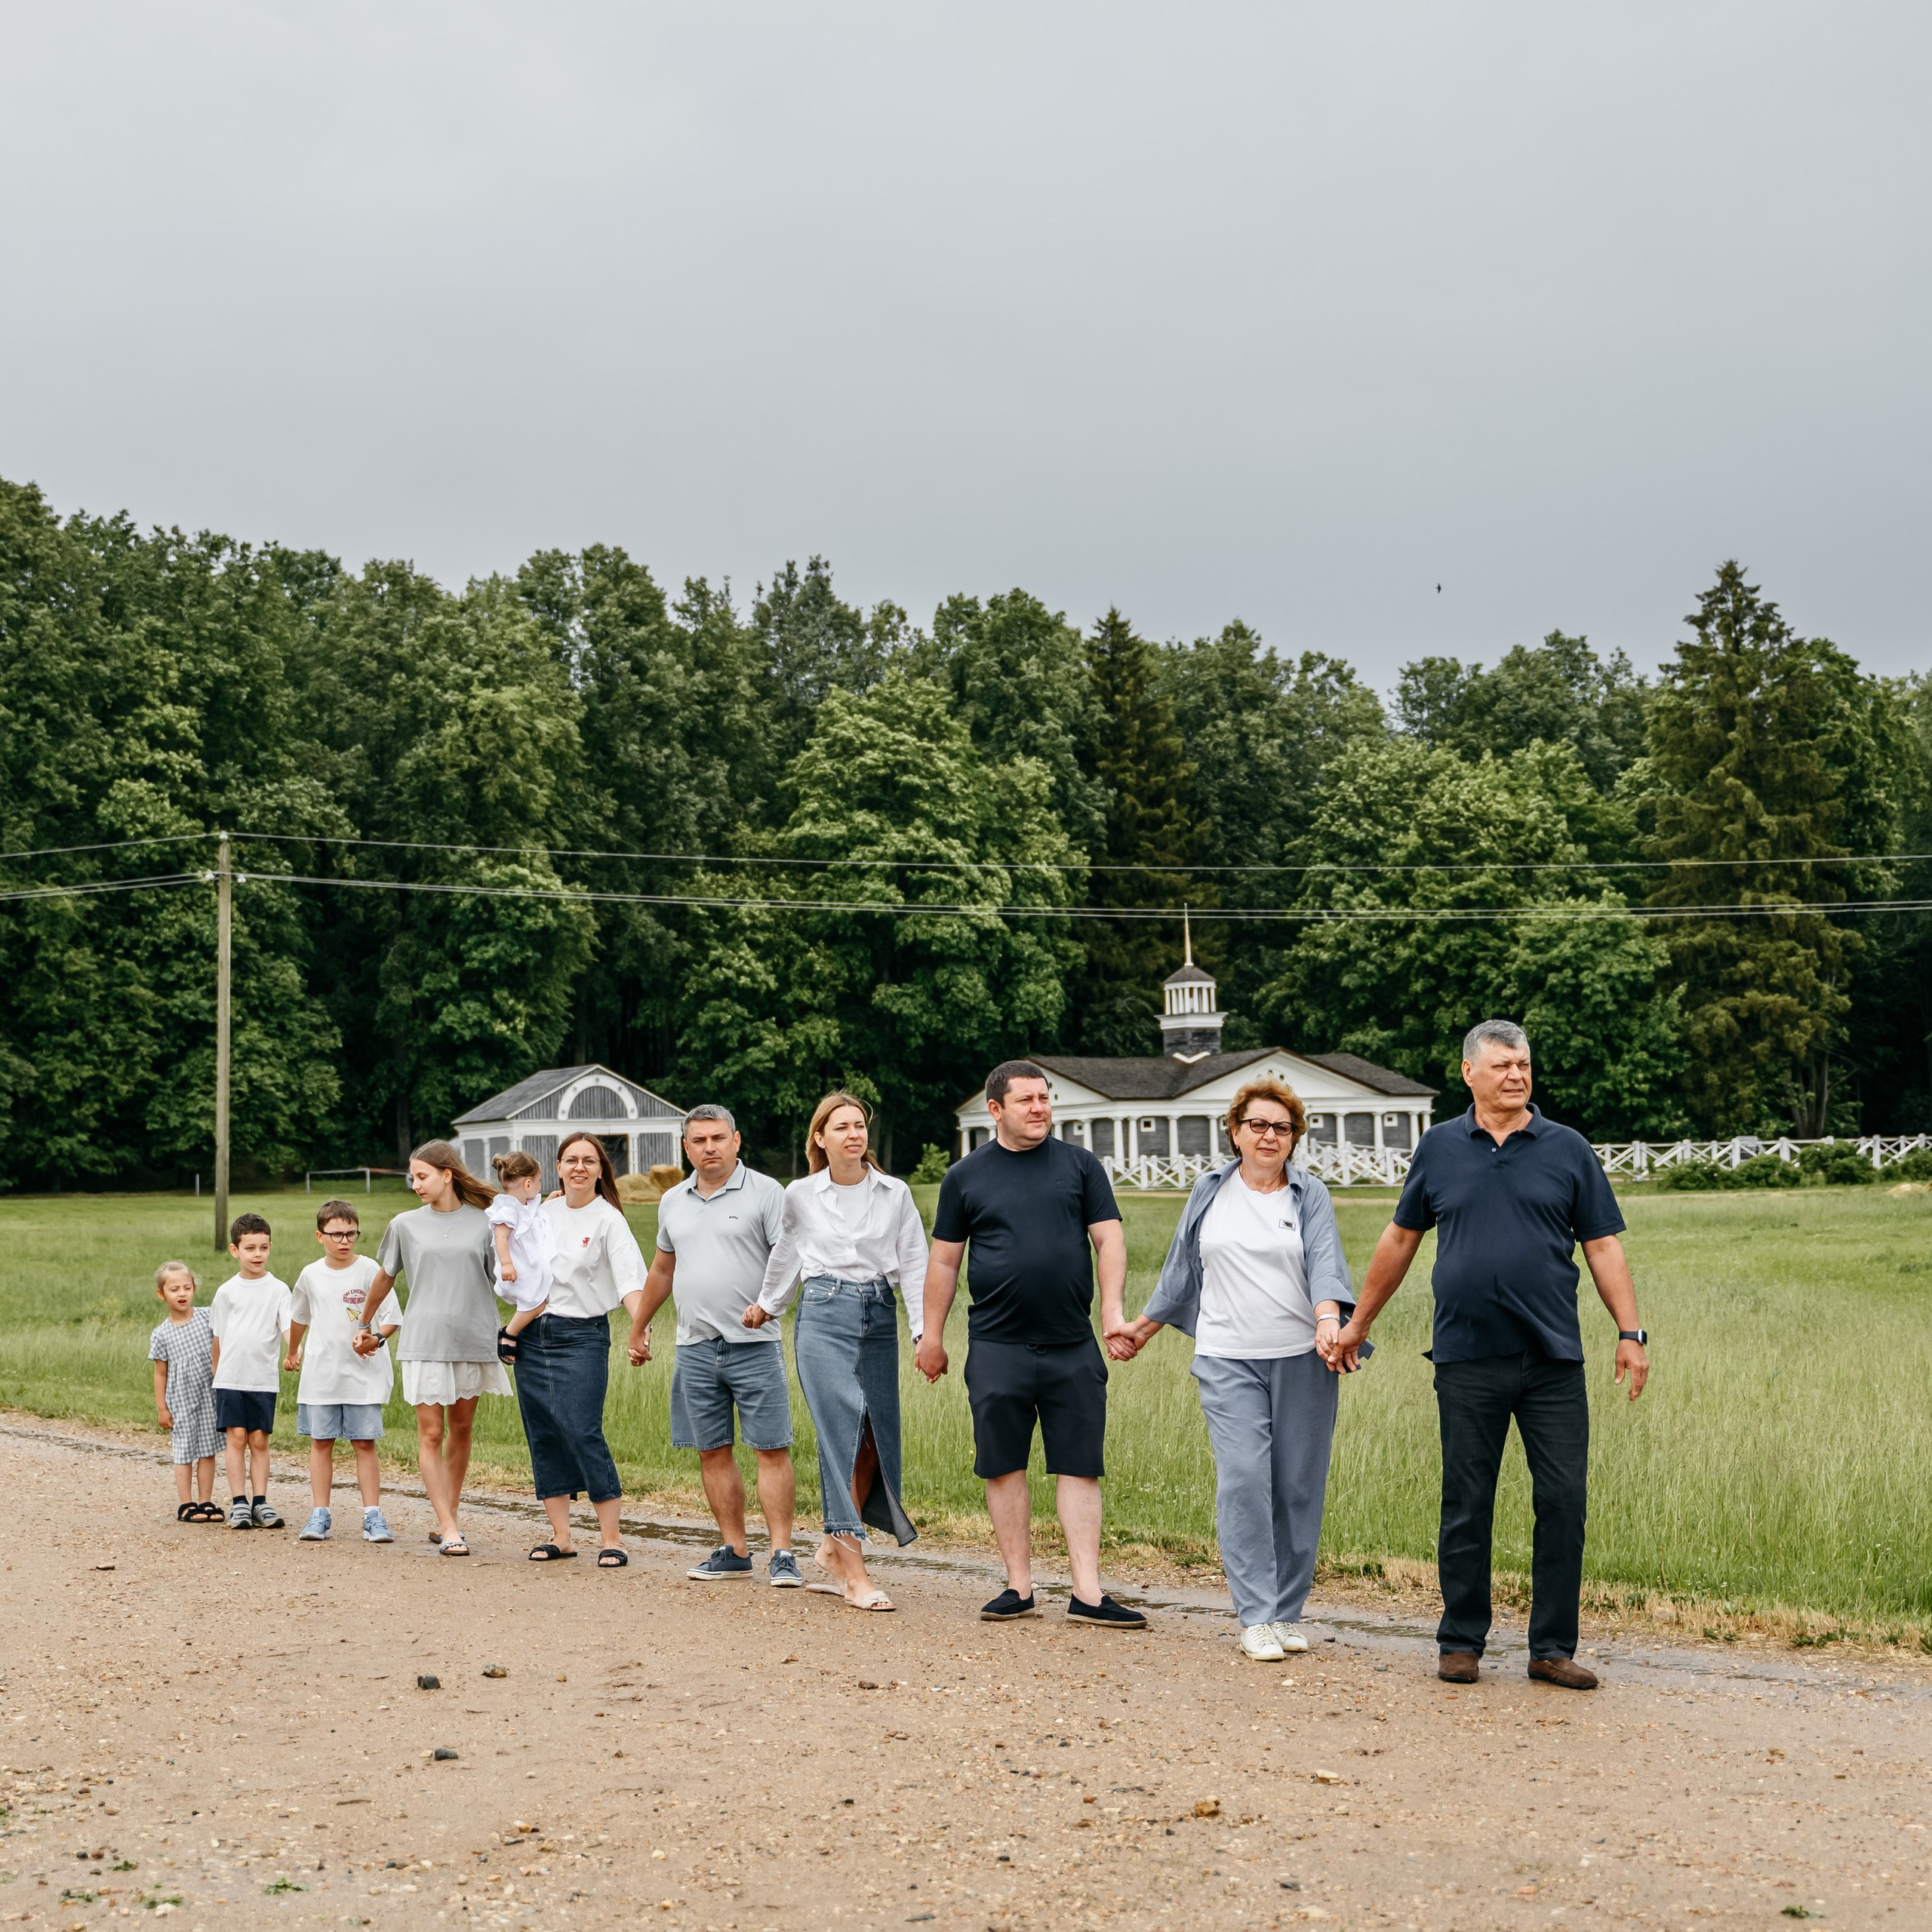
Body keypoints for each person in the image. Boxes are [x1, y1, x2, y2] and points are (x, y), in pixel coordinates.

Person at [1331, 1020, 1650, 1690]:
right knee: (1467, 1500)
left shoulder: (1567, 1149)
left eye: (1525, 1064)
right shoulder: (1441, 1148)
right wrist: (1358, 1323)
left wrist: (1631, 1331)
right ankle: (1460, 1641)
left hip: (1553, 1359)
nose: (1517, 1075)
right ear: (1469, 1071)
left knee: (1563, 1500)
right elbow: (1399, 1241)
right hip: (1468, 1357)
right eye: (1503, 1065)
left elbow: (1603, 1246)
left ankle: (1551, 1647)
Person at [1119, 1078, 1358, 1661]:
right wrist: (1142, 1330)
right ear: (1235, 1131)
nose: (1269, 1136)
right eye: (1258, 1125)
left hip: (1304, 1357)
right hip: (1227, 1357)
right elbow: (1181, 1269)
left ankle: (1285, 1612)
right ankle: (1254, 1615)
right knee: (1245, 1480)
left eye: (1282, 1127)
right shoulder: (1209, 1191)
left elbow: (1325, 1261)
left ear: (1294, 1137)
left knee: (1298, 1486)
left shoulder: (1309, 1195)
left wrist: (1330, 1320)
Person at [918, 1060, 1147, 1629]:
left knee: (1079, 1465)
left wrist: (1112, 1312)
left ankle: (1088, 1593)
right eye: (1027, 1100)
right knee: (1003, 1465)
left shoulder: (1080, 1166)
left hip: (1072, 1344)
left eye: (1045, 1098)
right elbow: (945, 1261)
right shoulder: (965, 1177)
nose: (1040, 1108)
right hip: (998, 1345)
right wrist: (932, 1335)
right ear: (995, 1109)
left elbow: (1109, 1240)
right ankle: (1018, 1587)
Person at [746, 1091, 928, 1611]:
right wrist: (767, 1304)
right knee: (839, 1432)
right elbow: (786, 1253)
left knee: (872, 1436)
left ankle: (830, 1546)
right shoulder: (801, 1194)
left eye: (859, 1125)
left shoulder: (895, 1193)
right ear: (820, 1139)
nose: (854, 1134)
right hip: (823, 1313)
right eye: (841, 1127)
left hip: (878, 1314)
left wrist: (922, 1333)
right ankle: (855, 1574)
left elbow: (913, 1264)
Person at [627, 1104, 799, 1586]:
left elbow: (788, 1263)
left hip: (754, 1344)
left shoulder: (767, 1193)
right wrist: (639, 1326)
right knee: (712, 1450)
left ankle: (782, 1553)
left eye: (718, 1138)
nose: (710, 1148)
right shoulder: (673, 1200)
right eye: (699, 1141)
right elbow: (663, 1269)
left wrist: (767, 1305)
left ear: (736, 1141)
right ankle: (735, 1550)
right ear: (686, 1147)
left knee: (771, 1447)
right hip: (695, 1346)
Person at [358, 1140, 507, 1557]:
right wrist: (364, 1324)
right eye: (413, 1177)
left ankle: (450, 1516)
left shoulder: (485, 1222)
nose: (415, 1184)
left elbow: (506, 1278)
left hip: (474, 1338)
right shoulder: (405, 1224)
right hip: (424, 1339)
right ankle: (448, 1526)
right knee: (431, 1432)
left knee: (461, 1430)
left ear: (447, 1175)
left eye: (422, 1176)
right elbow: (385, 1278)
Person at [517, 1131, 650, 1567]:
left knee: (582, 1428)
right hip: (532, 1336)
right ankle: (562, 1536)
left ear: (600, 1170)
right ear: (557, 1168)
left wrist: (640, 1326)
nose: (579, 1167)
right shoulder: (541, 1213)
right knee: (544, 1432)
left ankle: (612, 1539)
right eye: (571, 1160)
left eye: (589, 1161)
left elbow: (630, 1279)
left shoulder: (608, 1219)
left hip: (583, 1336)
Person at [285, 1198, 399, 1544]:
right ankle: (320, 1514)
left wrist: (376, 1339)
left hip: (362, 1375)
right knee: (322, 1442)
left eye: (351, 1233)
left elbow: (393, 1318)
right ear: (320, 1236)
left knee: (364, 1443)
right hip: (323, 1375)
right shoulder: (310, 1274)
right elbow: (299, 1316)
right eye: (336, 1234)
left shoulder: (369, 1270)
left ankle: (373, 1516)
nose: (344, 1241)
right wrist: (292, 1351)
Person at [210, 1213, 292, 1531]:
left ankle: (261, 1502)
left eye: (263, 1248)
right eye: (250, 1248)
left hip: (262, 1379)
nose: (257, 1255)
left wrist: (293, 1351)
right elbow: (218, 1336)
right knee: (236, 1438)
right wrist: (217, 1374)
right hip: (230, 1378)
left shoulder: (279, 1290)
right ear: (236, 1251)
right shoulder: (226, 1292)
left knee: (259, 1440)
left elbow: (288, 1327)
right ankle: (239, 1503)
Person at [149, 1261, 220, 1522]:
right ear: (162, 1294)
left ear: (194, 1289)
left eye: (187, 1288)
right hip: (180, 1401)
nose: (182, 1294)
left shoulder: (207, 1317)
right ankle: (187, 1503)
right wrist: (162, 1408)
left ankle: (206, 1501)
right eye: (174, 1289)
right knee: (184, 1451)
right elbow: (160, 1373)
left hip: (208, 1396)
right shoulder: (162, 1334)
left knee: (208, 1449)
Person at [488, 1149, 555, 1350]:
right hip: (517, 1270)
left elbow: (533, 1217)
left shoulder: (522, 1205)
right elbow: (501, 1237)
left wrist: (549, 1201)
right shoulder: (508, 1210)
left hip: (526, 1266)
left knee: (540, 1300)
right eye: (539, 1181)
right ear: (528, 1184)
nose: (540, 1186)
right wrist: (507, 1264)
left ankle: (521, 1331)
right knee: (537, 1303)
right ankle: (510, 1332)